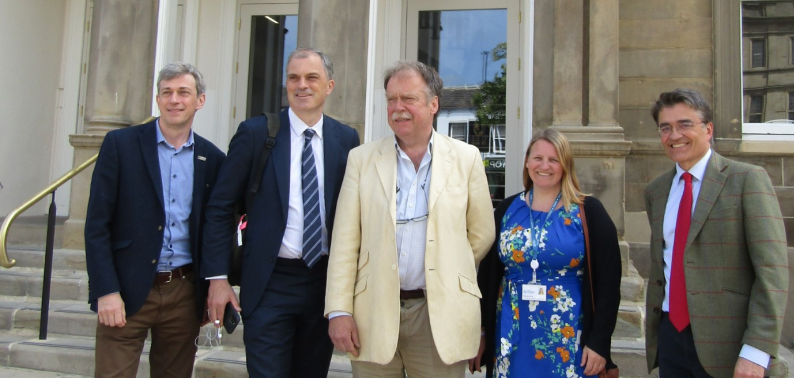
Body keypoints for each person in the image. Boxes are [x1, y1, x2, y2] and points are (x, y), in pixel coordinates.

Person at [325, 60, 495, 378]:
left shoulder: (466, 158)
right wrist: (339, 310)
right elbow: (345, 242)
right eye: (391, 99)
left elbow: (482, 233)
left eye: (408, 99)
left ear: (433, 104)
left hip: (439, 318)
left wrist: (446, 264)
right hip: (371, 315)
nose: (398, 108)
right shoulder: (361, 160)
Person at [201, 48, 360, 378]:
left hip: (322, 284)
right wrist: (218, 278)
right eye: (293, 78)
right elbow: (220, 207)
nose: (301, 85)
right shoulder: (256, 133)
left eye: (311, 77)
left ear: (329, 86)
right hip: (269, 282)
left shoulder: (345, 139)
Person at [85, 62, 225, 378]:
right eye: (167, 93)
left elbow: (216, 227)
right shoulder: (121, 145)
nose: (174, 100)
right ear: (158, 99)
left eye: (183, 93)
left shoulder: (213, 159)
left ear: (199, 100)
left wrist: (211, 285)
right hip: (127, 290)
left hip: (183, 292)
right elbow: (97, 225)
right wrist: (105, 291)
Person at [645, 89, 789, 378]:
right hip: (671, 339)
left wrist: (756, 351)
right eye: (666, 128)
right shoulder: (656, 191)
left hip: (730, 346)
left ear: (708, 129)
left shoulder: (747, 179)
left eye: (685, 124)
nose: (675, 135)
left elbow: (772, 273)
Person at [475, 127, 621, 378]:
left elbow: (609, 282)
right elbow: (487, 276)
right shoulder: (508, 209)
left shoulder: (588, 211)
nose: (545, 166)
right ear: (527, 162)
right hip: (512, 330)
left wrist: (599, 343)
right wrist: (481, 332)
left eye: (554, 159)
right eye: (538, 158)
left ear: (565, 165)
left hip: (569, 332)